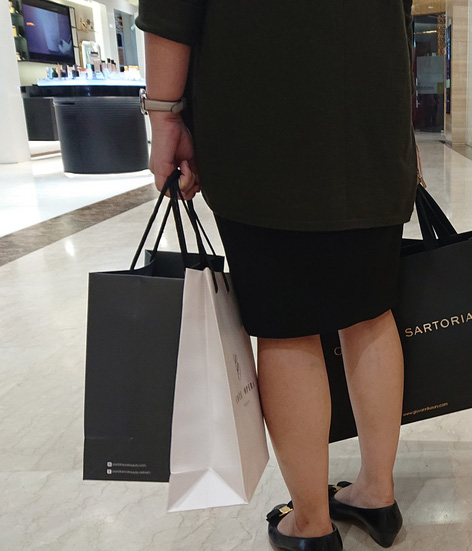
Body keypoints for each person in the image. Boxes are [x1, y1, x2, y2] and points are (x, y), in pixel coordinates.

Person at [136, 2, 417, 550]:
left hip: (263, 121)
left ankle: (311, 523)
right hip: (372, 123)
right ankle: (377, 494)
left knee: (287, 326)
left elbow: (172, 11)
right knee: (371, 311)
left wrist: (165, 114)